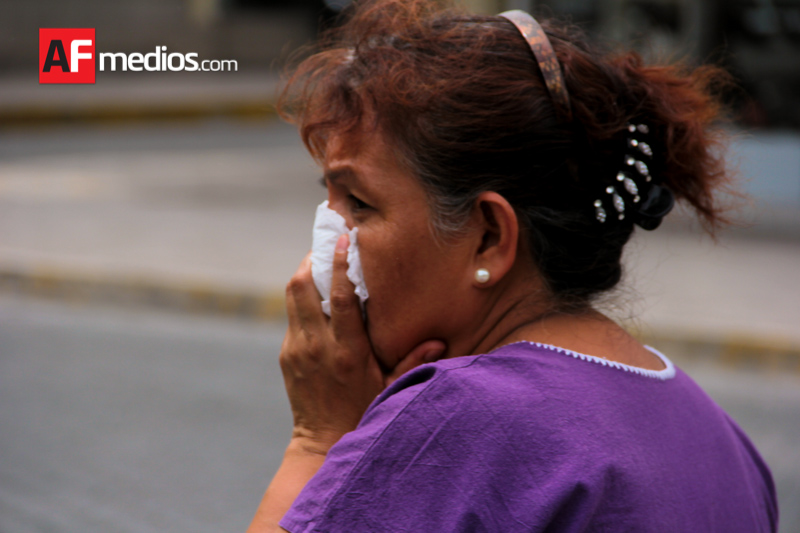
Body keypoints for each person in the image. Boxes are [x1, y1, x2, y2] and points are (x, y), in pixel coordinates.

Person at [248, 1, 779, 531]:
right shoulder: (722, 438)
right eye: (329, 201)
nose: (328, 243)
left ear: (489, 237)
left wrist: (317, 439)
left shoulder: (454, 419)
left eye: (359, 204)